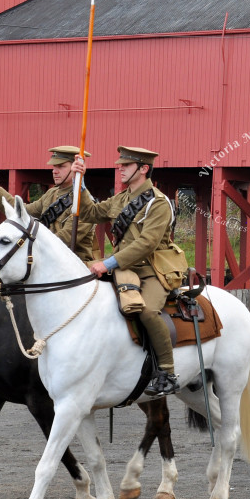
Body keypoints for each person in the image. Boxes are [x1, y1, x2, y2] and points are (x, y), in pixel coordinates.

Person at [80, 146, 182, 396]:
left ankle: (168, 373)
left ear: (143, 168)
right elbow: (89, 212)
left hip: (153, 270)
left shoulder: (158, 203)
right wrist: (79, 182)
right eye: (120, 164)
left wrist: (109, 263)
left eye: (125, 165)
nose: (120, 168)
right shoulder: (122, 198)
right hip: (124, 268)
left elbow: (146, 243)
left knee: (146, 311)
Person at [0, 145, 101, 264]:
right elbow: (25, 212)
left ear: (76, 167)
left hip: (74, 267)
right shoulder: (52, 193)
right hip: (46, 260)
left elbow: (65, 238)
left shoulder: (84, 201)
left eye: (61, 166)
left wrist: (27, 241)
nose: (55, 171)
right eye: (54, 166)